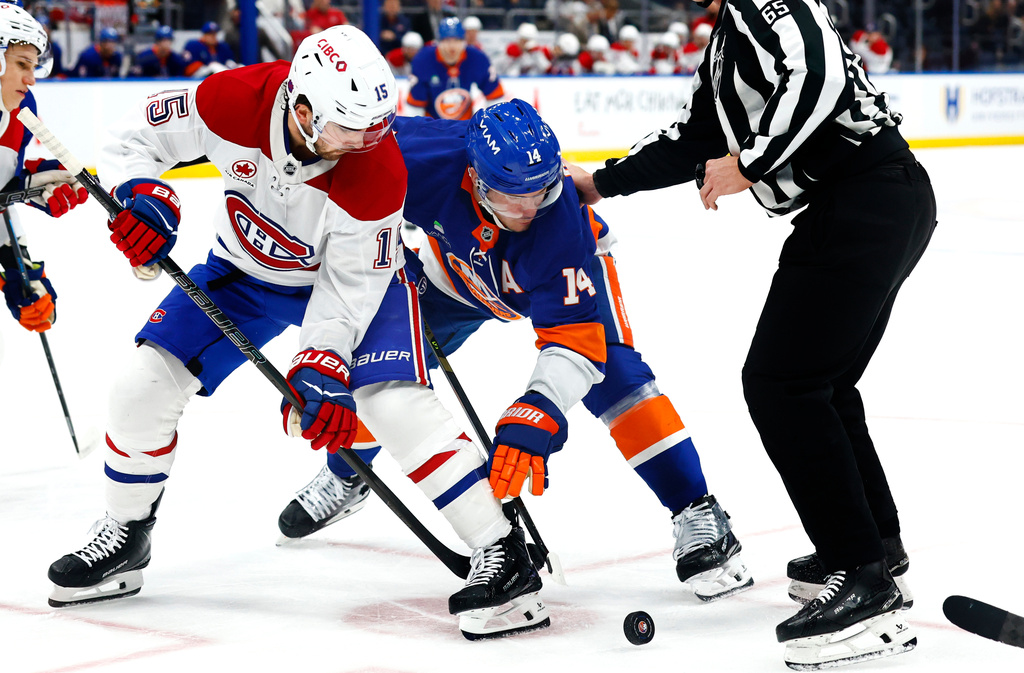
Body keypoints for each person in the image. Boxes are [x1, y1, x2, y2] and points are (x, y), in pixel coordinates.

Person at [44, 24, 543, 642]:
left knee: (390, 403)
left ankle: (501, 549)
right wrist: (139, 193)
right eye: (349, 128)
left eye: (377, 127)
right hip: (241, 270)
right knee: (140, 384)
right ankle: (126, 533)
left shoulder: (378, 166)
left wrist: (322, 361)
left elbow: (351, 286)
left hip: (356, 284)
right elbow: (133, 137)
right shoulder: (234, 98)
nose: (368, 142)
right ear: (301, 108)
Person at [568, 0, 936, 668]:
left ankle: (863, 579)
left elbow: (817, 75)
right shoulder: (727, 42)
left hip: (868, 196)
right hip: (877, 199)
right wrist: (598, 183)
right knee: (821, 384)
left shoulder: (767, 2)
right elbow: (691, 138)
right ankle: (874, 547)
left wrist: (752, 162)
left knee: (781, 383)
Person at [278, 99, 755, 604]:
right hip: (457, 272)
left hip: (560, 275)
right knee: (375, 363)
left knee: (616, 376)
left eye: (542, 191)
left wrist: (541, 407)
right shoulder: (421, 154)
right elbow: (330, 160)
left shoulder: (559, 222)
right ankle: (348, 472)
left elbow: (574, 342)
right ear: (475, 179)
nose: (530, 209)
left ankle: (698, 511)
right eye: (512, 197)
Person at [0, 3, 87, 333]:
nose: (31, 80)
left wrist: (21, 273)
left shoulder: (18, 107)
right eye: (22, 63)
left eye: (33, 66)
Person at [406, 17, 504, 121]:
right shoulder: (424, 60)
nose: (452, 47)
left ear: (464, 41)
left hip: (465, 127)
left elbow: (495, 97)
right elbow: (415, 107)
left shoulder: (476, 58)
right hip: (433, 128)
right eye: (447, 41)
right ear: (438, 42)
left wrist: (491, 123)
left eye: (457, 40)